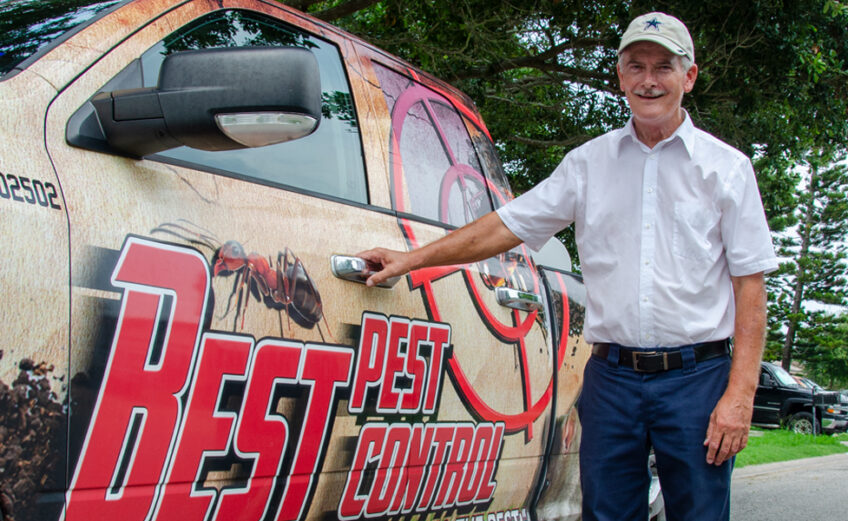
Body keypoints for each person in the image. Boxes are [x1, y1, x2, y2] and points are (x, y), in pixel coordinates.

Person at [358, 11, 777, 521]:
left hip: (697, 381)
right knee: (603, 512)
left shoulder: (727, 169)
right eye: (636, 66)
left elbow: (750, 291)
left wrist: (740, 396)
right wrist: (412, 259)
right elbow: (502, 227)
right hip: (612, 380)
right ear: (620, 77)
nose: (649, 80)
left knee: (699, 514)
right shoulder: (587, 165)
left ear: (689, 76)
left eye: (664, 67)